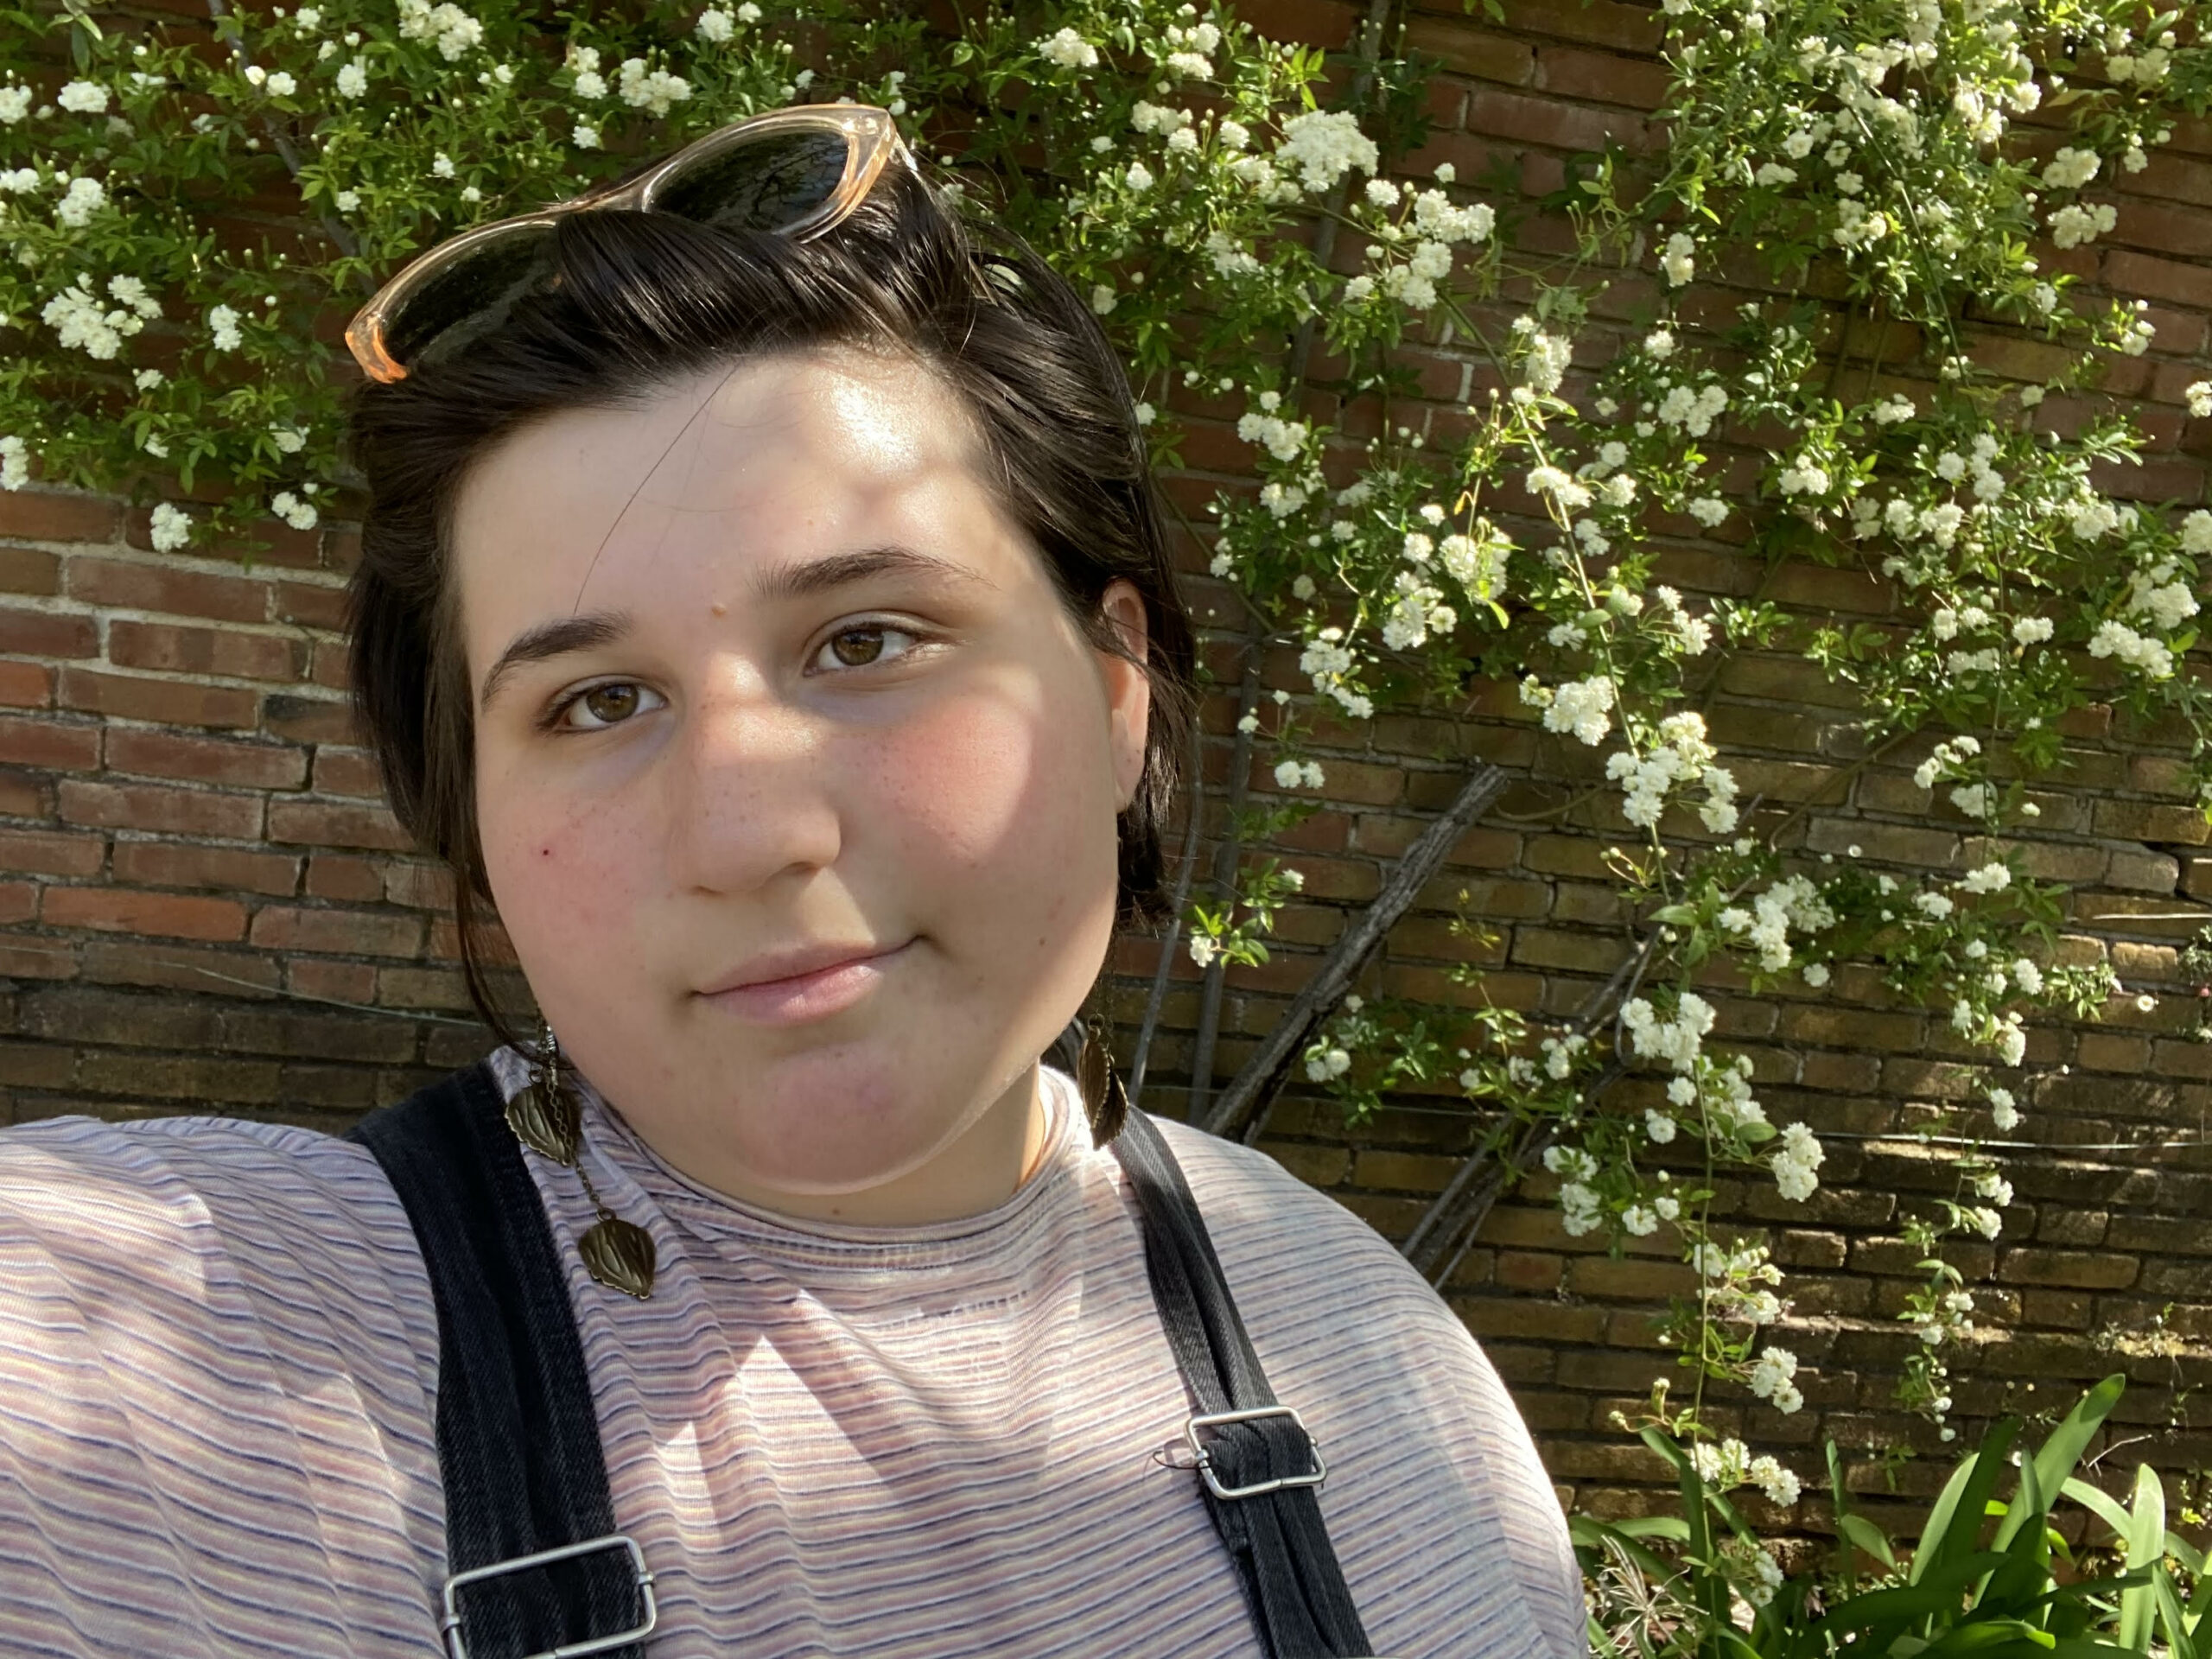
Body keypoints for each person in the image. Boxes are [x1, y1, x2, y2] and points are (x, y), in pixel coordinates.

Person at [0, 104, 1583, 1659]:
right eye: (595, 701)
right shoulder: (179, 1349)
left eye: (869, 640)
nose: (749, 834)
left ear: (1116, 700)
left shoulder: (1365, 1336)